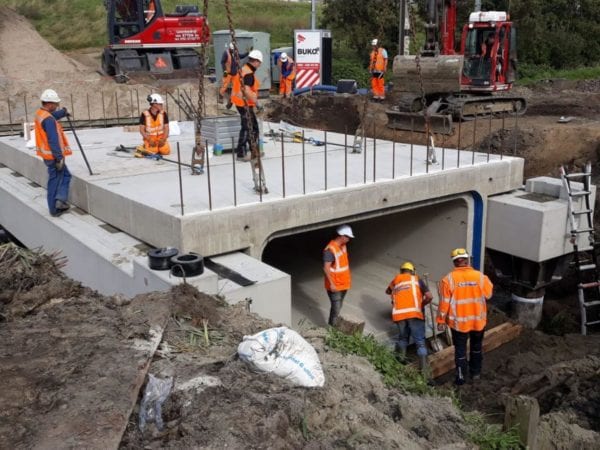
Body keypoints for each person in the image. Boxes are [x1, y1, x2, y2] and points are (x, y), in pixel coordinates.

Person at [436, 248, 493, 385]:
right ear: (467, 260)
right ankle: (476, 374)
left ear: (455, 262)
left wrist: (440, 320)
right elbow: (489, 295)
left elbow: (444, 303)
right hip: (478, 322)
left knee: (460, 352)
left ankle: (461, 379)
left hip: (459, 324)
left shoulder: (448, 280)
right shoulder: (480, 277)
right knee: (476, 348)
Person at [386, 262, 433, 372]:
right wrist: (422, 304)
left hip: (399, 315)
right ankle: (425, 373)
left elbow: (388, 291)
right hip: (415, 314)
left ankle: (400, 363)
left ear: (401, 271)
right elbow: (429, 296)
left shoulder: (396, 279)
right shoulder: (416, 279)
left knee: (402, 338)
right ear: (412, 271)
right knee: (420, 343)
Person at [34, 89, 72, 218]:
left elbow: (51, 117)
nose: (56, 107)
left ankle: (60, 202)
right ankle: (56, 206)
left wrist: (63, 113)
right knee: (57, 180)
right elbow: (53, 140)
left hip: (47, 155)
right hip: (53, 156)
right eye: (55, 104)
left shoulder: (41, 114)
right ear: (49, 104)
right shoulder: (48, 120)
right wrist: (59, 158)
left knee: (63, 176)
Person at [231, 49, 263, 161]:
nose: (260, 65)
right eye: (260, 63)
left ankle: (252, 150)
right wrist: (257, 103)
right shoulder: (248, 73)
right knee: (249, 127)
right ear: (256, 61)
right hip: (244, 103)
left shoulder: (244, 69)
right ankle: (241, 153)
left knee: (251, 126)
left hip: (240, 102)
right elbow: (247, 90)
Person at [323, 224, 354, 326]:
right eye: (348, 237)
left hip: (344, 284)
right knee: (336, 309)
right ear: (342, 236)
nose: (349, 239)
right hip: (335, 285)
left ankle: (333, 326)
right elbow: (326, 268)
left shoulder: (343, 246)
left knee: (338, 306)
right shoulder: (330, 250)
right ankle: (332, 329)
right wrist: (332, 284)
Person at [220, 42, 250, 109]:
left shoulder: (235, 53)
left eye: (233, 49)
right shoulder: (226, 53)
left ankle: (230, 102)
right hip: (228, 73)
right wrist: (224, 70)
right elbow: (222, 62)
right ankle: (220, 96)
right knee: (224, 86)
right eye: (232, 49)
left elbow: (241, 56)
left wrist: (247, 53)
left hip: (235, 73)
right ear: (230, 48)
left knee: (235, 88)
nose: (233, 50)